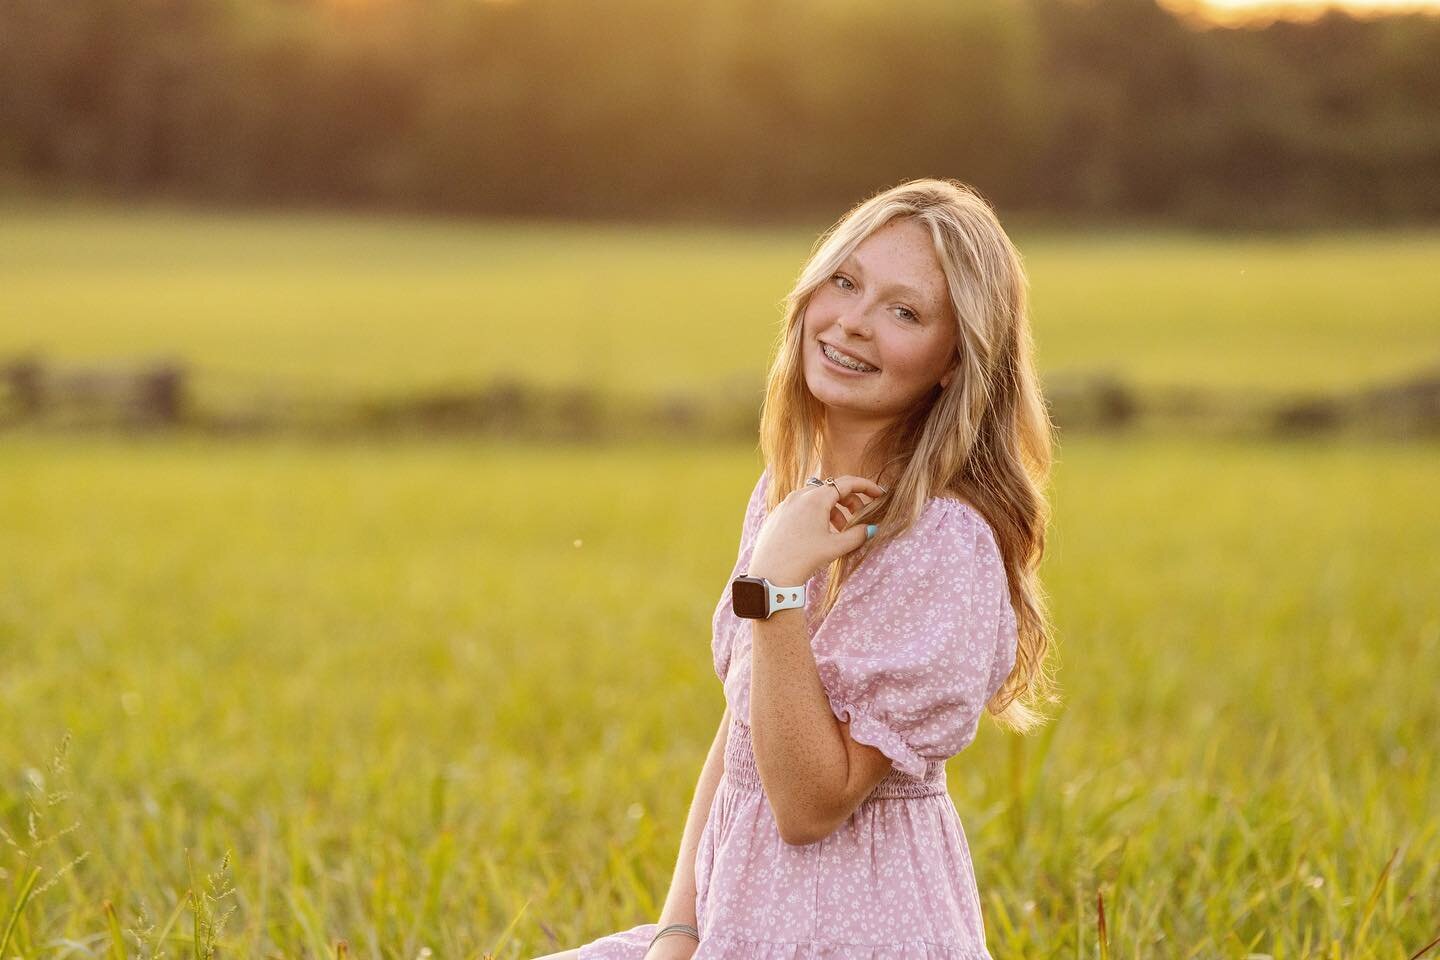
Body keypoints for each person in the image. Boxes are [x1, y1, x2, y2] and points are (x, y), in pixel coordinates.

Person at [535, 177, 1056, 959]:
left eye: (904, 311)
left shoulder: (944, 544)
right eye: (845, 282)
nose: (853, 323)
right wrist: (678, 933)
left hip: (859, 935)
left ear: (955, 360)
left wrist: (776, 590)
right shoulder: (789, 500)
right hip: (740, 926)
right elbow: (740, 735)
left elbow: (810, 806)